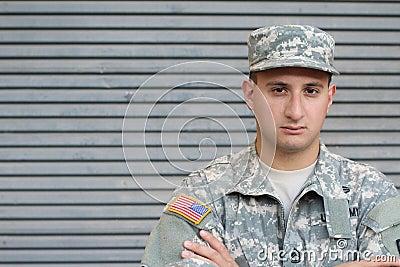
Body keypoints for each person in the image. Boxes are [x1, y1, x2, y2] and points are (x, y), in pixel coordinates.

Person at [141, 25, 400, 266]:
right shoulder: (206, 192)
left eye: (311, 91)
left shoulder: (370, 194)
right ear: (251, 95)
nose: (295, 111)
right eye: (279, 90)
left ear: (329, 98)